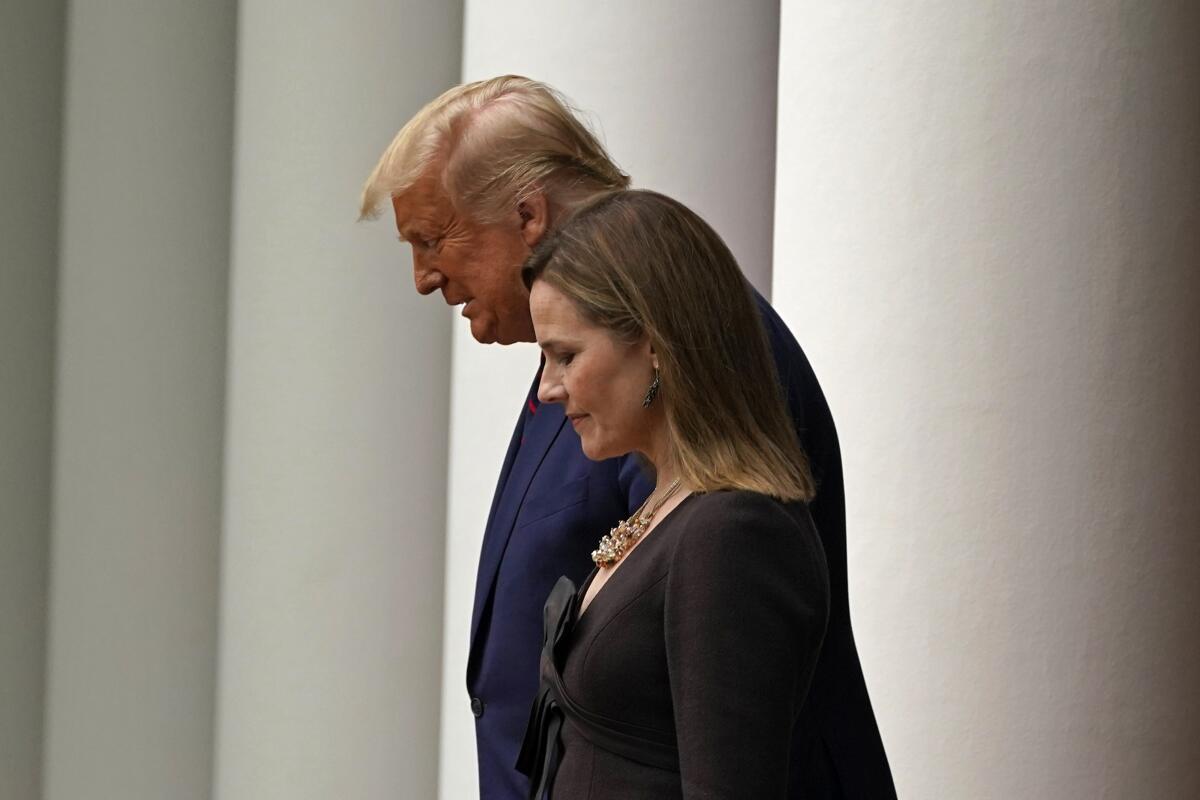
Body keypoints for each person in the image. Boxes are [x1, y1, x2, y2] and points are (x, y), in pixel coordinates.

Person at [359, 76, 894, 799]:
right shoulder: (605, 373)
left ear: (528, 215)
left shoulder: (696, 391)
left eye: (432, 238)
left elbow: (713, 710)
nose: (425, 277)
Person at [516, 188, 831, 799]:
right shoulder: (669, 508)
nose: (548, 389)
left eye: (565, 356)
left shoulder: (732, 533)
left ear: (656, 342)